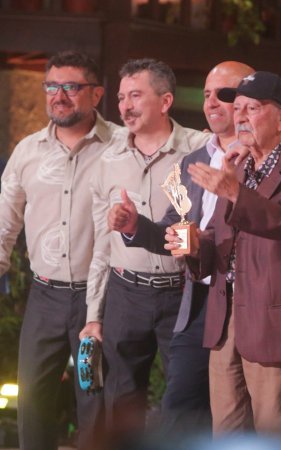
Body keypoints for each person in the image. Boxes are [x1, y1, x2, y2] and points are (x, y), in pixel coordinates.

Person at [177, 71, 281, 434]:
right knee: (226, 432)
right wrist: (193, 244)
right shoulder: (239, 167)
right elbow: (219, 239)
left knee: (274, 432)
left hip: (273, 320)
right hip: (225, 318)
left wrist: (234, 192)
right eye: (238, 108)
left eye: (253, 108)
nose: (241, 117)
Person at [106, 61, 254, 434]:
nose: (212, 102)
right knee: (181, 410)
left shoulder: (268, 156)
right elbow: (176, 228)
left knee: (242, 416)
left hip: (250, 301)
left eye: (224, 94)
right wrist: (135, 226)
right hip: (200, 300)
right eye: (206, 94)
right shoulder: (195, 160)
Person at [0, 50, 121, 450]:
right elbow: (4, 222)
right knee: (32, 402)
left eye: (71, 86)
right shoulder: (28, 151)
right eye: (51, 86)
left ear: (97, 93)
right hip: (45, 296)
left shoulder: (122, 145)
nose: (59, 95)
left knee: (96, 404)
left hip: (102, 297)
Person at [86, 58, 210, 441]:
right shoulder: (107, 159)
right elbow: (101, 244)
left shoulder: (200, 149)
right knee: (120, 400)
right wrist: (94, 315)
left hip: (184, 292)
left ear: (166, 101)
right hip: (126, 293)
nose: (125, 106)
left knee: (188, 401)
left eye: (136, 96)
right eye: (122, 97)